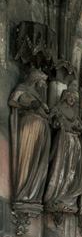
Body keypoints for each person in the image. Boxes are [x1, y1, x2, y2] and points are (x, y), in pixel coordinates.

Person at [8, 67, 51, 203]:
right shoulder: (23, 87)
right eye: (42, 81)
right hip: (29, 122)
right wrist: (26, 107)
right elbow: (12, 101)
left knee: (38, 159)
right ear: (36, 79)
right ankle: (23, 191)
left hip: (41, 124)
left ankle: (34, 193)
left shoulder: (37, 94)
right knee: (28, 154)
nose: (43, 84)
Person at [44, 89, 82, 213]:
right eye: (70, 97)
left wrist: (79, 128)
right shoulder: (58, 108)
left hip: (74, 143)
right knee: (60, 166)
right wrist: (61, 122)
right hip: (63, 140)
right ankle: (55, 195)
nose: (72, 100)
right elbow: (52, 121)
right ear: (64, 97)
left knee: (71, 170)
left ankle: (66, 197)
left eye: (74, 98)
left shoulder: (73, 112)